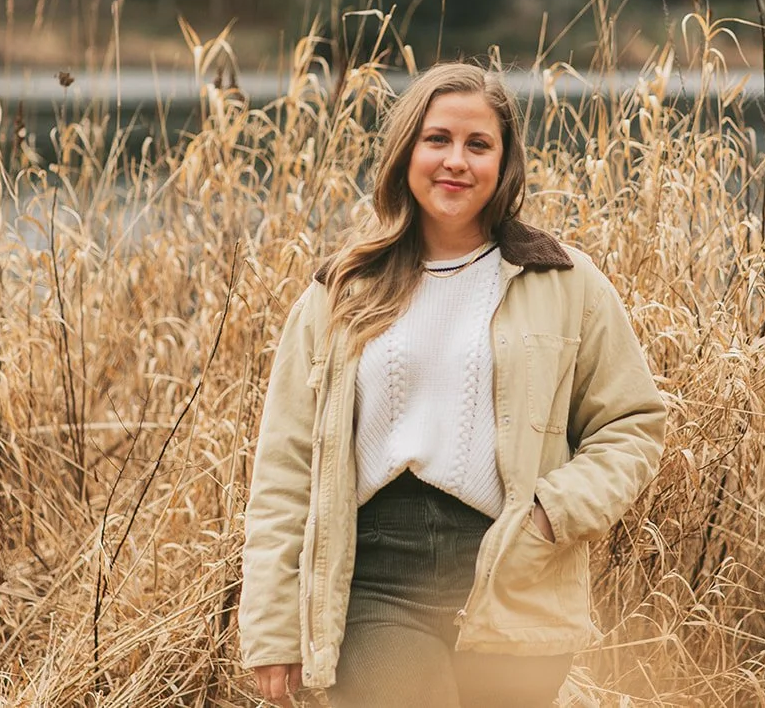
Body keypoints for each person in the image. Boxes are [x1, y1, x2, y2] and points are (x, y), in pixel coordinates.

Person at [239, 62, 666, 707]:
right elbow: (283, 470)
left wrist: (550, 517)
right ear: (406, 151)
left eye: (478, 145)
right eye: (437, 139)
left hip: (514, 572)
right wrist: (273, 630)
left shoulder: (564, 281)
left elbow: (631, 425)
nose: (455, 162)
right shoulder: (340, 293)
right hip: (375, 578)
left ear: (504, 162)